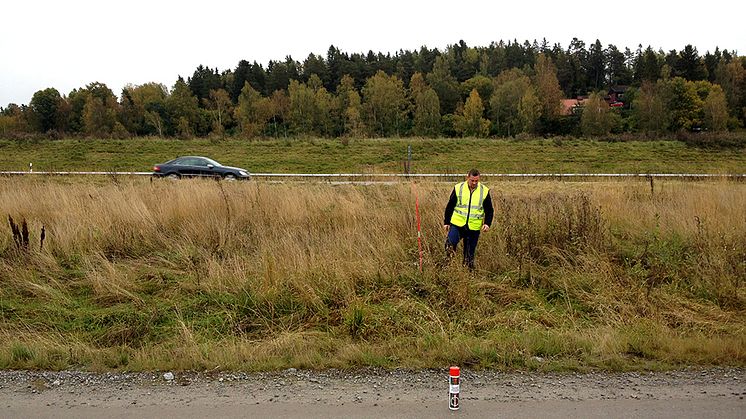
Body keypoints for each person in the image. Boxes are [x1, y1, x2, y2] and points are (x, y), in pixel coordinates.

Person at [443, 169, 494, 269]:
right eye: (472, 180)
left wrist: (487, 223)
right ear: (467, 178)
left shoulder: (484, 191)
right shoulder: (458, 188)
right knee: (449, 244)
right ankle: (449, 267)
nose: (474, 183)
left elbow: (489, 210)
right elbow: (450, 206)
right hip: (457, 224)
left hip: (474, 227)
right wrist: (446, 222)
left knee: (469, 255)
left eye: (476, 181)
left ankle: (468, 274)